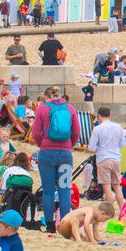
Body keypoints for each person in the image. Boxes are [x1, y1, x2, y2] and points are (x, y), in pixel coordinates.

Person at [30, 86, 80, 234]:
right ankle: (65, 225)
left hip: (46, 154)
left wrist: (42, 144)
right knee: (65, 190)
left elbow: (35, 132)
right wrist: (69, 145)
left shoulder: (42, 109)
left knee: (48, 191)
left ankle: (50, 225)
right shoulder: (70, 108)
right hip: (65, 154)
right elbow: (76, 132)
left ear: (46, 96)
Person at [89, 106, 126, 205]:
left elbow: (91, 147)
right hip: (116, 158)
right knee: (117, 187)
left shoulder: (97, 129)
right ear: (109, 116)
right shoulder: (118, 127)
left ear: (99, 116)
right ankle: (122, 209)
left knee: (106, 187)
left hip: (103, 159)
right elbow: (123, 144)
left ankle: (110, 210)